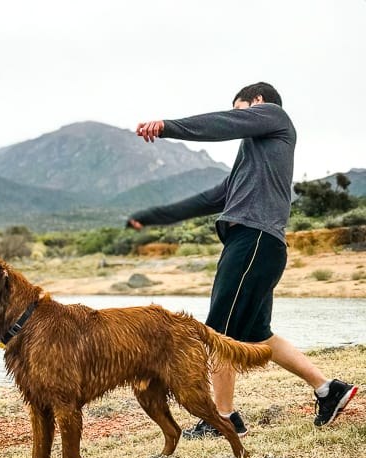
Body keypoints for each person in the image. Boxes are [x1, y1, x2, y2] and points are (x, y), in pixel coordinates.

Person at [126, 81, 357, 437]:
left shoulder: (274, 115)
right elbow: (208, 198)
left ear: (258, 102)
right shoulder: (250, 165)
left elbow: (222, 124)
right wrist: (152, 216)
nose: (237, 120)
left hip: (254, 241)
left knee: (219, 333)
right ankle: (329, 390)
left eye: (239, 110)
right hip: (259, 245)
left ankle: (223, 418)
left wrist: (167, 126)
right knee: (256, 334)